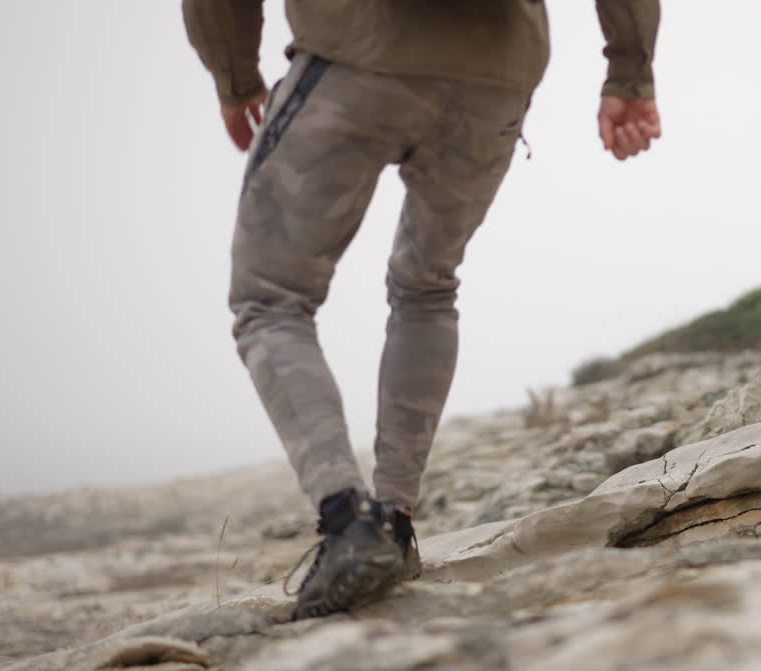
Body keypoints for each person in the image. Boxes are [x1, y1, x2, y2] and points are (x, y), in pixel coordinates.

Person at [183, 0, 662, 620]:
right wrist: (630, 74)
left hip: (353, 50)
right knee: (427, 287)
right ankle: (395, 523)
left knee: (270, 298)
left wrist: (235, 77)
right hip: (497, 73)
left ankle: (348, 522)